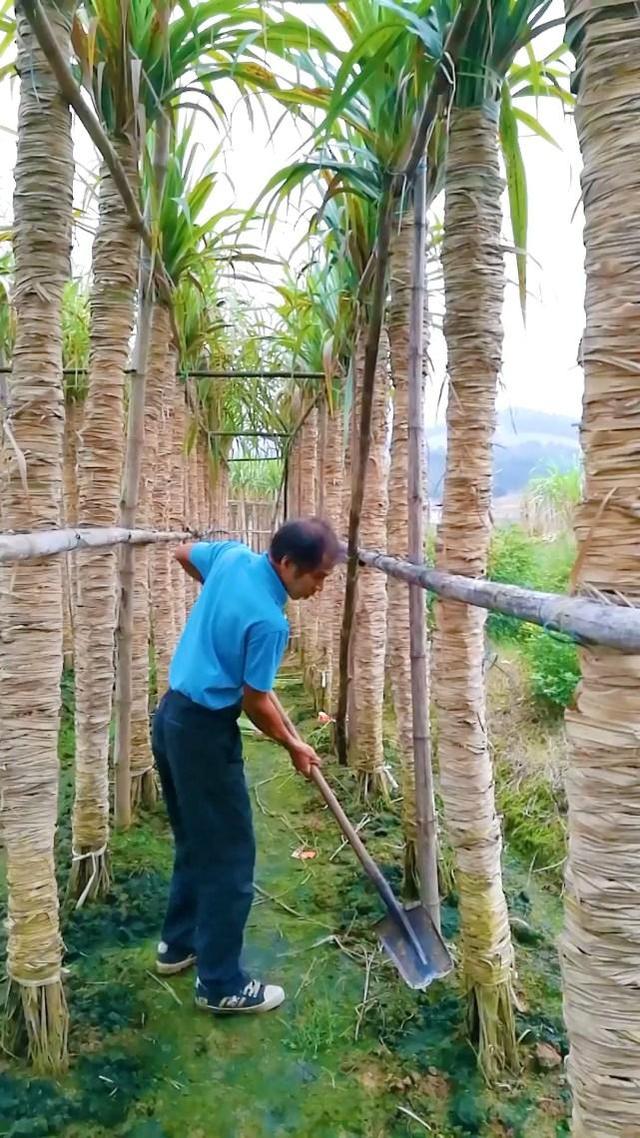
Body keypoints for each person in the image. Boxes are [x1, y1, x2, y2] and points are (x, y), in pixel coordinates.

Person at [152, 517, 339, 1016]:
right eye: (316, 577)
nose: (320, 588)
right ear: (286, 563)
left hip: (170, 717)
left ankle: (179, 944)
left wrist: (217, 602)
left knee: (195, 838)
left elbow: (184, 552)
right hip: (205, 737)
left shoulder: (232, 558)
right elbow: (256, 703)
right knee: (231, 858)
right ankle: (220, 983)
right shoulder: (270, 623)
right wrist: (293, 746)